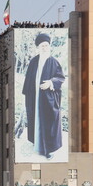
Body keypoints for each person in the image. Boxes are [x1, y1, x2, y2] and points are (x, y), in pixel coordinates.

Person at [21, 32, 65, 160]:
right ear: (38, 48)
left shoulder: (54, 62)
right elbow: (28, 79)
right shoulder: (33, 61)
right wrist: (28, 98)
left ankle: (49, 150)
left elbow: (60, 78)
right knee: (35, 119)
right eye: (42, 46)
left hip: (48, 99)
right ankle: (37, 144)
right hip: (34, 98)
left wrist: (51, 83)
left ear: (49, 46)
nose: (44, 48)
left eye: (46, 45)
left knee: (49, 122)